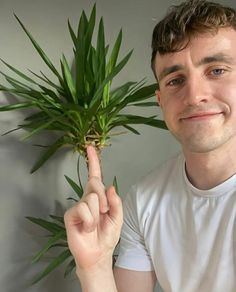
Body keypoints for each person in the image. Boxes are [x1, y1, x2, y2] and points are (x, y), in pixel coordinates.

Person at [64, 0, 236, 291]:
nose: (194, 95)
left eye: (217, 70)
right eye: (175, 80)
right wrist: (94, 267)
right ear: (160, 101)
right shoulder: (143, 201)